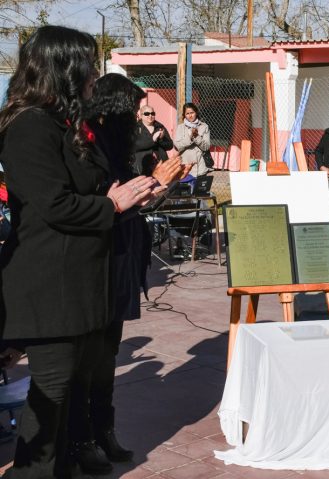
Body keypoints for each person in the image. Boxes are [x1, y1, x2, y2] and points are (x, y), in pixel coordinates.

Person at [0, 25, 155, 478]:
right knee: (50, 389)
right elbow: (54, 204)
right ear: (62, 67)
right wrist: (113, 202)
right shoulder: (28, 125)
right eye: (88, 64)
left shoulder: (63, 124)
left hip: (80, 280)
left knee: (68, 390)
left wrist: (123, 196)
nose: (94, 74)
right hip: (51, 282)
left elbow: (83, 190)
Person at [64, 73, 188, 475]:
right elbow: (106, 201)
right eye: (134, 110)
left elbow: (136, 201)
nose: (141, 119)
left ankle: (104, 430)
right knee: (89, 355)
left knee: (108, 352)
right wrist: (153, 183)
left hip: (124, 252)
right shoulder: (88, 144)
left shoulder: (121, 143)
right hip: (97, 257)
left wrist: (161, 184)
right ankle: (81, 438)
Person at [133, 104, 174, 176]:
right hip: (142, 165)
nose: (150, 116)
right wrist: (153, 140)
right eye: (146, 114)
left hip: (160, 164)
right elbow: (136, 145)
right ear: (141, 115)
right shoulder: (136, 128)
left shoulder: (160, 127)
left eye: (152, 113)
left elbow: (170, 146)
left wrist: (161, 139)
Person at [174, 102, 211, 178]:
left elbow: (206, 147)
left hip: (200, 167)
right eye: (187, 113)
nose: (190, 115)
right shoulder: (180, 127)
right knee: (186, 190)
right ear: (184, 115)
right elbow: (177, 146)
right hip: (185, 167)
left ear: (196, 113)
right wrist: (190, 138)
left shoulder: (204, 126)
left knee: (200, 189)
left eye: (192, 112)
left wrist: (196, 137)